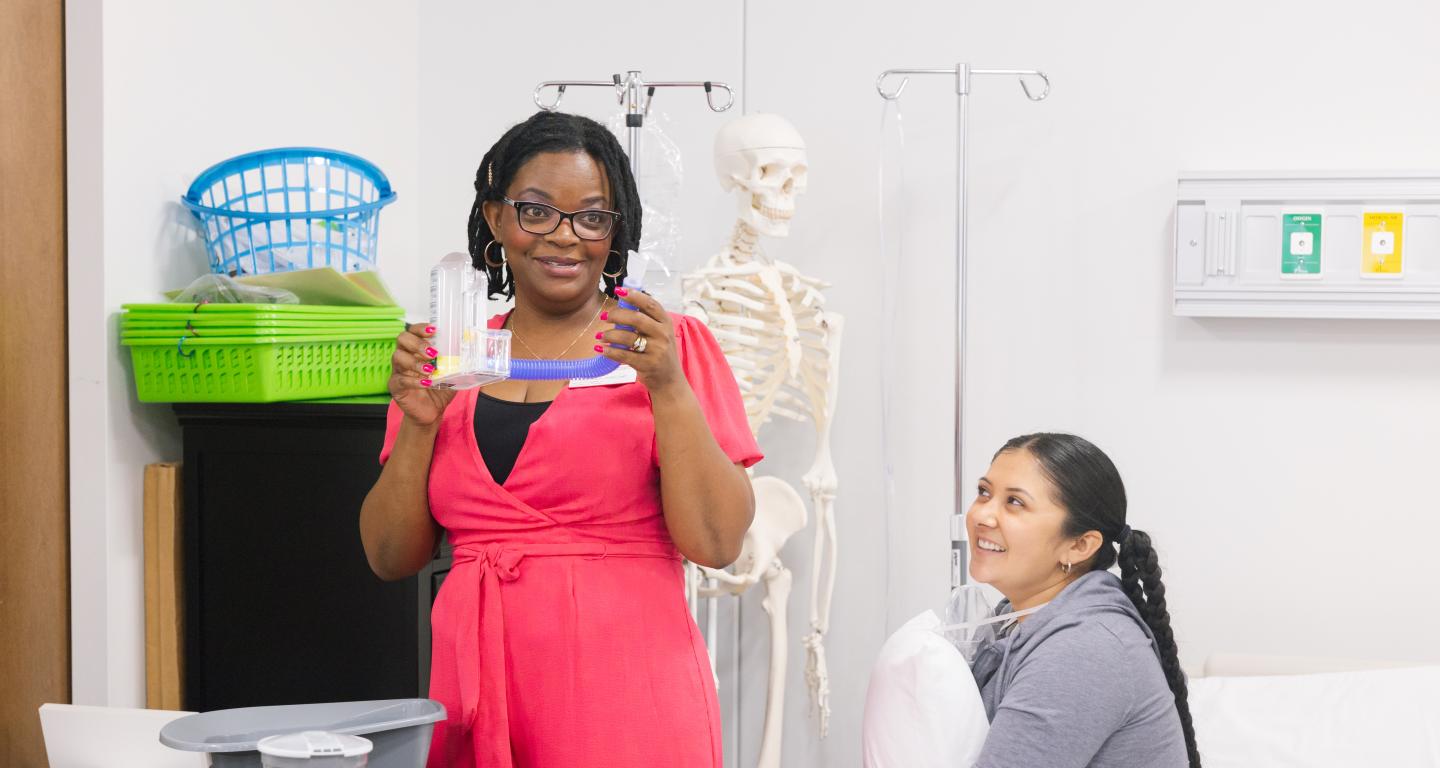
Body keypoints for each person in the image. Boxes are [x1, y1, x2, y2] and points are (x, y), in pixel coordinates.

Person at [359, 111, 760, 768]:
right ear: (495, 219)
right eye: (537, 212)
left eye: (592, 217)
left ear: (615, 230)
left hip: (627, 701)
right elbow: (387, 555)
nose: (565, 237)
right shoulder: (451, 360)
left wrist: (668, 387)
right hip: (477, 696)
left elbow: (716, 543)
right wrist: (419, 425)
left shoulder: (668, 348)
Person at [966, 433, 1200, 768]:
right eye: (984, 492)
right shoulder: (1017, 619)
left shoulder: (1084, 647)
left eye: (1015, 502)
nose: (982, 516)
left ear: (1079, 546)